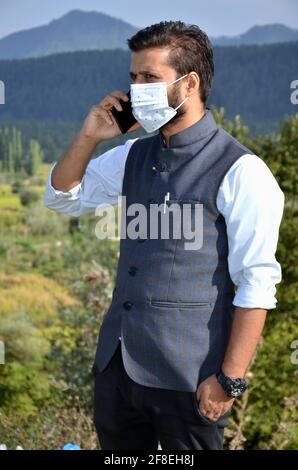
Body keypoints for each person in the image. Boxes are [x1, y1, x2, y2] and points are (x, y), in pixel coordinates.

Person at [44, 21, 285, 450]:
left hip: (189, 379)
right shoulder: (131, 154)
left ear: (188, 83)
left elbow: (257, 283)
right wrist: (88, 137)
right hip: (118, 374)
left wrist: (229, 380)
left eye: (150, 78)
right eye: (134, 78)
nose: (137, 89)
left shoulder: (242, 170)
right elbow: (63, 197)